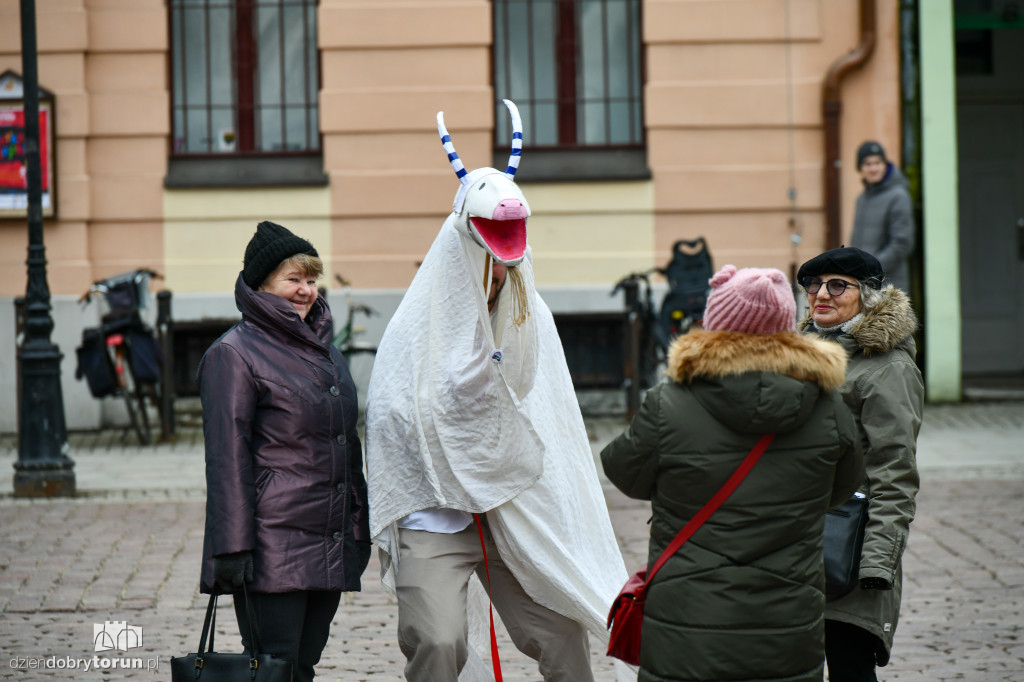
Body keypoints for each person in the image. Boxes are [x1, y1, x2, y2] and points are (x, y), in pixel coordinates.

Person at [365, 101, 628, 681]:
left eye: (505, 263)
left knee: (561, 633)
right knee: (438, 642)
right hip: (435, 517)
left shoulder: (533, 321)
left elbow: (550, 420)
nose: (497, 273)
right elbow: (390, 418)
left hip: (515, 514)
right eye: (485, 258)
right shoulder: (415, 329)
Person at [601, 264, 863, 682]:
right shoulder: (828, 408)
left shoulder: (668, 403)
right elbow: (840, 490)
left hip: (688, 631)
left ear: (715, 324)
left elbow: (623, 472)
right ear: (786, 326)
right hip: (787, 630)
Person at [197, 220, 371, 682]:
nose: (305, 290)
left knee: (303, 666)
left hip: (327, 536)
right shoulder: (233, 354)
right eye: (292, 279)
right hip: (271, 541)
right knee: (271, 665)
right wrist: (231, 548)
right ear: (261, 286)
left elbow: (346, 447)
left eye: (311, 280)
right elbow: (226, 458)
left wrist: (358, 528)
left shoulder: (325, 353)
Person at [796, 246, 924, 681]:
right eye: (814, 285)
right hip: (795, 545)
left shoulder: (887, 368)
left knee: (850, 668)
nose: (821, 294)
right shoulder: (800, 357)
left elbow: (895, 472)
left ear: (867, 295)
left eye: (837, 285)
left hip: (848, 550)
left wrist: (875, 563)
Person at [851, 140, 915, 293]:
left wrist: (871, 269)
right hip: (863, 285)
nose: (873, 168)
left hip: (889, 287)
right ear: (860, 168)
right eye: (867, 164)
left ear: (885, 165)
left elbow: (902, 244)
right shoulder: (862, 199)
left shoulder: (899, 196)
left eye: (878, 162)